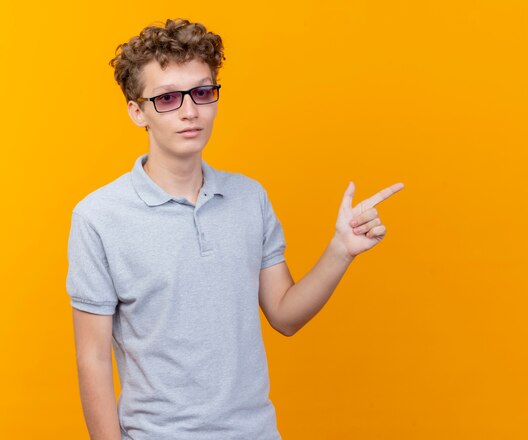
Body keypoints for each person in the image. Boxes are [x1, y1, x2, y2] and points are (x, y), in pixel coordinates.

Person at [66, 18, 404, 440]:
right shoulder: (99, 216)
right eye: (168, 97)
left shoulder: (249, 198)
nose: (190, 111)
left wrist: (341, 249)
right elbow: (92, 358)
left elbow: (284, 315)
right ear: (138, 112)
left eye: (203, 92)